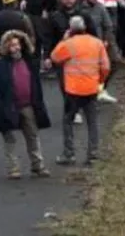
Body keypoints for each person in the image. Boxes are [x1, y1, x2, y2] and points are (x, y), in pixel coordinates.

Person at [0, 28, 52, 180]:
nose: (15, 48)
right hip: (8, 107)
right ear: (6, 47)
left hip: (28, 105)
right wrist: (0, 106)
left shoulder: (29, 63)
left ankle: (38, 166)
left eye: (17, 45)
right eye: (11, 45)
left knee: (33, 136)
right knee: (10, 140)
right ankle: (13, 169)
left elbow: (36, 85)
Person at [49, 16, 110, 166]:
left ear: (70, 30)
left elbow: (54, 57)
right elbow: (106, 67)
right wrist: (100, 81)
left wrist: (63, 40)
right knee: (92, 122)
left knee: (68, 121)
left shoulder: (69, 44)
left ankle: (69, 154)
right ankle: (93, 155)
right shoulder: (97, 43)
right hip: (91, 89)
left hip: (73, 90)